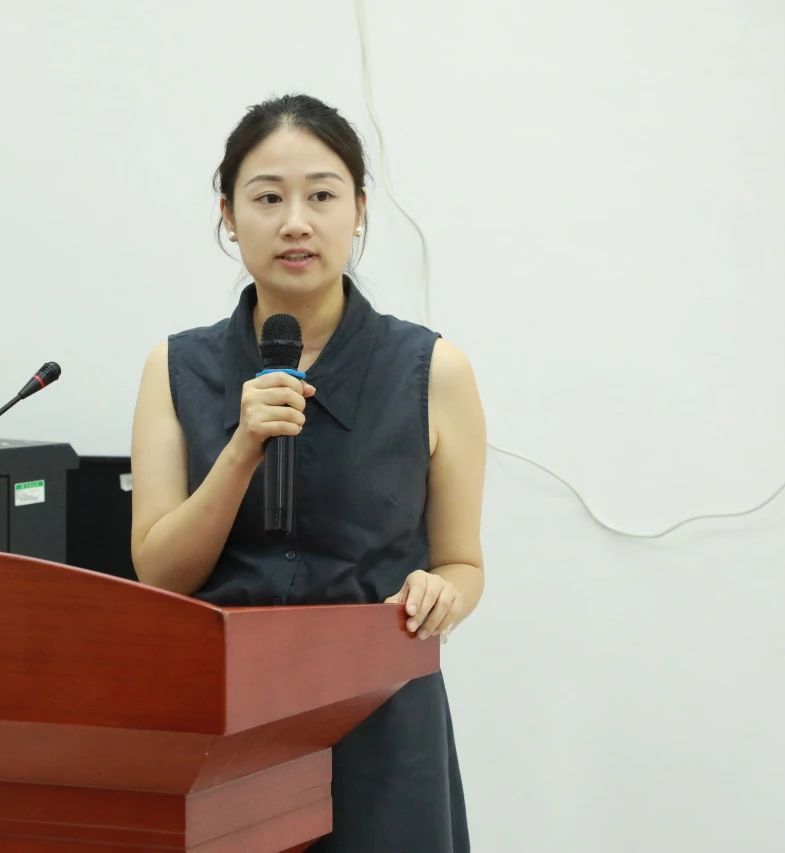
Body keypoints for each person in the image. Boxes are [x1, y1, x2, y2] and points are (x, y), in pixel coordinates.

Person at [129, 93, 486, 852]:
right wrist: (241, 447)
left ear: (359, 210)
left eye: (322, 195)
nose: (296, 222)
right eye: (268, 198)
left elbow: (462, 562)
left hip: (383, 721)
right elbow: (160, 574)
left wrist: (443, 592)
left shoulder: (432, 369)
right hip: (226, 726)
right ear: (228, 215)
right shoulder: (176, 368)